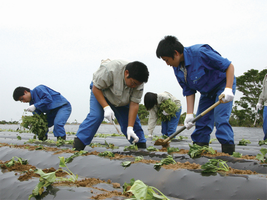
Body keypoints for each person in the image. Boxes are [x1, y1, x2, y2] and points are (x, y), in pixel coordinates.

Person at [156, 35, 236, 155]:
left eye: (167, 60)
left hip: (222, 86)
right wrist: (189, 114)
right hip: (206, 92)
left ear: (176, 53)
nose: (167, 64)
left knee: (220, 119)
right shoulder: (177, 68)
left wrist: (228, 89)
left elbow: (229, 66)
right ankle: (200, 152)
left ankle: (228, 153)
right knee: (201, 121)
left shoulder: (199, 53)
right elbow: (188, 90)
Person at [73, 59, 149, 151]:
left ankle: (141, 149)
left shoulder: (138, 83)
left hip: (122, 99)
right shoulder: (110, 69)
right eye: (133, 83)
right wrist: (106, 107)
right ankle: (77, 148)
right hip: (101, 92)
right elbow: (96, 88)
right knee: (96, 116)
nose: (134, 86)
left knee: (132, 124)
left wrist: (130, 127)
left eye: (137, 85)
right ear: (126, 73)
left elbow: (134, 104)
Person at [256, 74, 267, 141]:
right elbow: (264, 90)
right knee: (266, 126)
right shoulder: (265, 77)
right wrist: (260, 101)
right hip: (266, 104)